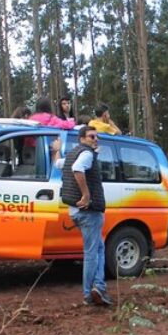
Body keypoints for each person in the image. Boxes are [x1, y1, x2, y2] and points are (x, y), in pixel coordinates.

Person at [60, 126, 112, 307]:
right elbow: (77, 169)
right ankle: (89, 293)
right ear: (82, 138)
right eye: (92, 136)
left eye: (97, 137)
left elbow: (60, 164)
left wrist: (55, 151)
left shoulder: (72, 153)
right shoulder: (86, 154)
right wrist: (86, 195)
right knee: (91, 252)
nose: (95, 139)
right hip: (88, 212)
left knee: (99, 248)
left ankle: (99, 286)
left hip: (75, 211)